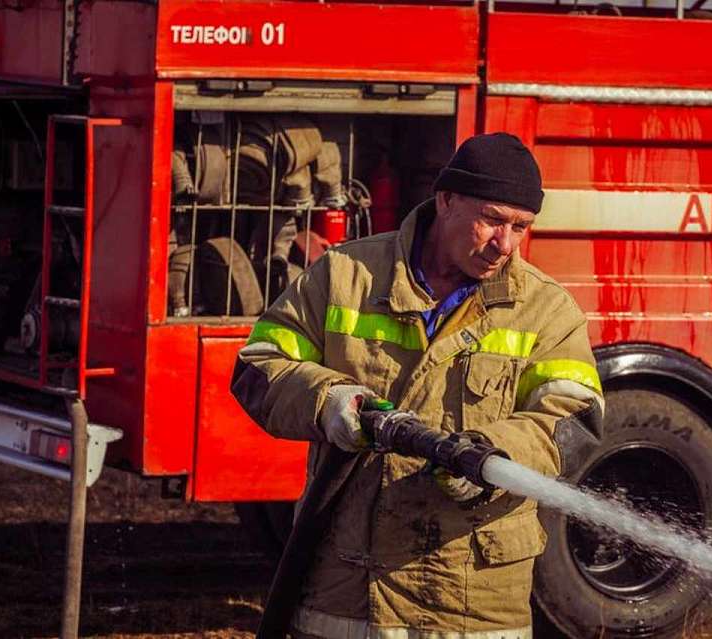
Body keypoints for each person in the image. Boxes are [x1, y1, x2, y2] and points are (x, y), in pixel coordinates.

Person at [231, 132, 603, 639]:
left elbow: (574, 423)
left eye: (521, 226)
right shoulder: (346, 276)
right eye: (492, 219)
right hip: (346, 596)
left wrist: (494, 456)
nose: (506, 244)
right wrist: (330, 401)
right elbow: (259, 365)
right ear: (446, 199)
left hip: (471, 606)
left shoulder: (547, 310)